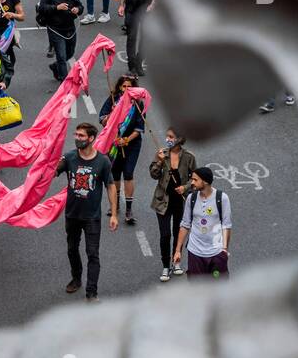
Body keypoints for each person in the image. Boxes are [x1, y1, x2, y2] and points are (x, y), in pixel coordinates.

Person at [55, 123, 116, 302]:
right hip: (72, 214)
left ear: (91, 139)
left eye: (81, 136)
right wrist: (49, 163)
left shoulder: (102, 161)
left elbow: (110, 186)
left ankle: (92, 292)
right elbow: (52, 172)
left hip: (92, 217)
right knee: (72, 249)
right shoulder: (69, 157)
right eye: (76, 135)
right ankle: (76, 278)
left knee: (93, 254)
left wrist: (113, 213)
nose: (77, 138)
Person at [148, 130, 194, 281]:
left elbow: (195, 179)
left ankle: (177, 261)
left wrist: (185, 188)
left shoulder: (189, 157)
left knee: (178, 233)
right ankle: (165, 266)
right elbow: (153, 175)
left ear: (179, 139)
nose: (167, 139)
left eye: (171, 137)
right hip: (162, 201)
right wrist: (160, 161)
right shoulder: (162, 153)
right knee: (165, 234)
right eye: (167, 136)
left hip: (180, 201)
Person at [99, 74, 144, 225]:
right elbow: (103, 120)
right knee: (115, 174)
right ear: (119, 87)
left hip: (131, 144)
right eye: (124, 86)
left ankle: (129, 209)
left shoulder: (138, 104)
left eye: (130, 87)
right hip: (114, 142)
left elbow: (139, 128)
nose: (127, 89)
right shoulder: (112, 100)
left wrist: (126, 139)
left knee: (129, 174)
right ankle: (115, 205)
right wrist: (113, 112)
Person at [173, 167, 232, 280]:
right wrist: (177, 251)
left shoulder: (222, 198)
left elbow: (226, 225)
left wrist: (224, 249)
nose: (192, 183)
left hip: (216, 253)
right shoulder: (191, 198)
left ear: (205, 181)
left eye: (195, 180)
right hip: (195, 253)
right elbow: (185, 225)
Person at [39, 0, 82, 81]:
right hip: (55, 28)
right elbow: (42, 8)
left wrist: (77, 9)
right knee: (61, 56)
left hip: (70, 29)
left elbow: (80, 6)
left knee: (70, 52)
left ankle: (55, 66)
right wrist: (56, 7)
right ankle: (64, 82)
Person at [119, 0, 154, 77]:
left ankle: (139, 63)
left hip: (146, 5)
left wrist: (153, 4)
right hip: (131, 5)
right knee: (131, 36)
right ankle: (132, 66)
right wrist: (121, 5)